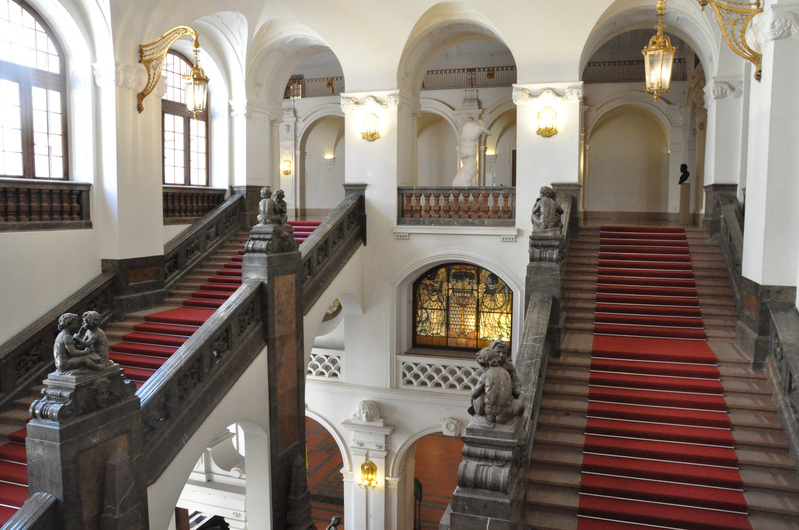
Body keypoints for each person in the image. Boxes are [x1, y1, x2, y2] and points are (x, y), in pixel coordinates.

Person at [452, 117, 491, 186]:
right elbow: (489, 133)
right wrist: (481, 125)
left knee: (465, 168)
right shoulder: (478, 128)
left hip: (463, 151)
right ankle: (462, 184)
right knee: (471, 168)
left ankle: (459, 183)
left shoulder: (465, 127)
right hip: (471, 150)